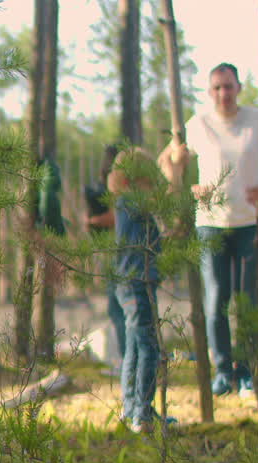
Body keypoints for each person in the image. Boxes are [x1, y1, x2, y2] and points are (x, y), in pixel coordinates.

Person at [160, 62, 258, 399]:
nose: (223, 93)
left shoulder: (257, 120)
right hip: (210, 225)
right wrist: (184, 184)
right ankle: (222, 373)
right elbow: (168, 161)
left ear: (238, 88)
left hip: (249, 223)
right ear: (209, 92)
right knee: (216, 301)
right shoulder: (198, 124)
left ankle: (248, 373)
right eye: (217, 88)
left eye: (228, 86)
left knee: (247, 301)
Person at [108, 147, 167, 433]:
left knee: (133, 345)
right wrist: (173, 166)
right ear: (132, 181)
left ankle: (131, 408)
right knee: (147, 346)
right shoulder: (132, 204)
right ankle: (141, 413)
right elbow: (163, 201)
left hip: (127, 282)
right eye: (149, 180)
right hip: (137, 282)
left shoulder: (123, 204)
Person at [85, 144, 124, 373]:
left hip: (123, 254)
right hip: (116, 252)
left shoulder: (123, 185)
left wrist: (95, 221)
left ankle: (126, 361)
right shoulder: (108, 184)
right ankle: (124, 360)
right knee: (116, 308)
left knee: (120, 309)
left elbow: (117, 216)